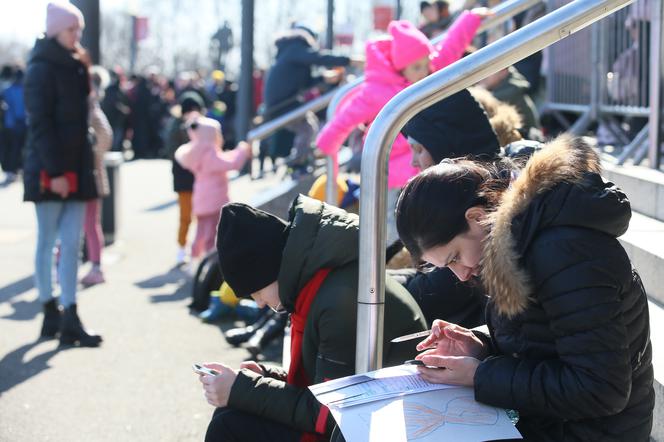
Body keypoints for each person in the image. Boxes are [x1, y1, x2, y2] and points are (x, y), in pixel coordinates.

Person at [395, 135, 654, 440]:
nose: (461, 275)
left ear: (477, 218)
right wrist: (481, 347)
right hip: (558, 423)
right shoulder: (513, 240)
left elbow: (601, 389)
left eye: (454, 258)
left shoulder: (565, 250)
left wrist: (481, 375)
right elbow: (547, 340)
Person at [199, 195, 427, 441]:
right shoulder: (323, 282)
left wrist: (242, 389)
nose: (260, 303)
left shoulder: (338, 301)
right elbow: (327, 384)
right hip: (372, 412)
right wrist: (264, 378)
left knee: (230, 425)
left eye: (256, 292)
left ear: (271, 270)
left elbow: (330, 413)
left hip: (390, 423)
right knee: (230, 416)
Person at [316, 11, 488, 244]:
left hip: (419, 165)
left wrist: (471, 18)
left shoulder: (430, 73)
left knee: (421, 218)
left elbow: (451, 46)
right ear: (401, 68)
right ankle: (388, 258)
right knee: (390, 221)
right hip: (390, 170)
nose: (425, 70)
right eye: (417, 67)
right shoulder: (377, 90)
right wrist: (326, 143)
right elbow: (344, 120)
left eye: (426, 62)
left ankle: (415, 253)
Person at [24, 2, 102, 346]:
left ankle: (70, 313)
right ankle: (49, 308)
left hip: (77, 166)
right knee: (47, 241)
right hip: (50, 169)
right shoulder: (39, 67)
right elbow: (39, 123)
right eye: (73, 29)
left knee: (72, 244)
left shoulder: (75, 66)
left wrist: (86, 71)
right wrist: (54, 171)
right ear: (57, 30)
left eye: (79, 30)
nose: (78, 36)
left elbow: (87, 112)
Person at [263, 24, 351, 177]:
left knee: (310, 126)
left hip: (282, 103)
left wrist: (324, 77)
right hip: (282, 105)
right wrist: (347, 60)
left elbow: (305, 82)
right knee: (307, 128)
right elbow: (318, 58)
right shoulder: (295, 48)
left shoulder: (288, 52)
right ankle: (298, 162)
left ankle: (303, 157)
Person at [175, 117, 250, 260]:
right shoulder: (210, 155)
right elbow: (232, 163)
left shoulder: (197, 153)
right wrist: (242, 150)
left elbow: (224, 159)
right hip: (213, 202)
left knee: (201, 232)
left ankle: (195, 257)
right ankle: (209, 261)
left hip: (201, 201)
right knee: (211, 236)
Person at [80, 66, 113, 287]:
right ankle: (94, 265)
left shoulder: (91, 108)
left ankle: (96, 266)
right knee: (87, 224)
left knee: (89, 224)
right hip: (91, 174)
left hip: (91, 175)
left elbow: (105, 136)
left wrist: (90, 155)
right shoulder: (91, 106)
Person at [166, 92, 204, 265]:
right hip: (184, 180)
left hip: (201, 179)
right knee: (185, 216)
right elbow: (173, 151)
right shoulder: (177, 126)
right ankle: (182, 248)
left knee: (202, 216)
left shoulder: (203, 125)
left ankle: (199, 248)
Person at [0, 67, 26, 183]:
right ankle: (16, 169)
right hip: (17, 125)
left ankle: (15, 170)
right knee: (17, 148)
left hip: (13, 125)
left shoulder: (7, 90)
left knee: (14, 148)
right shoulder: (14, 90)